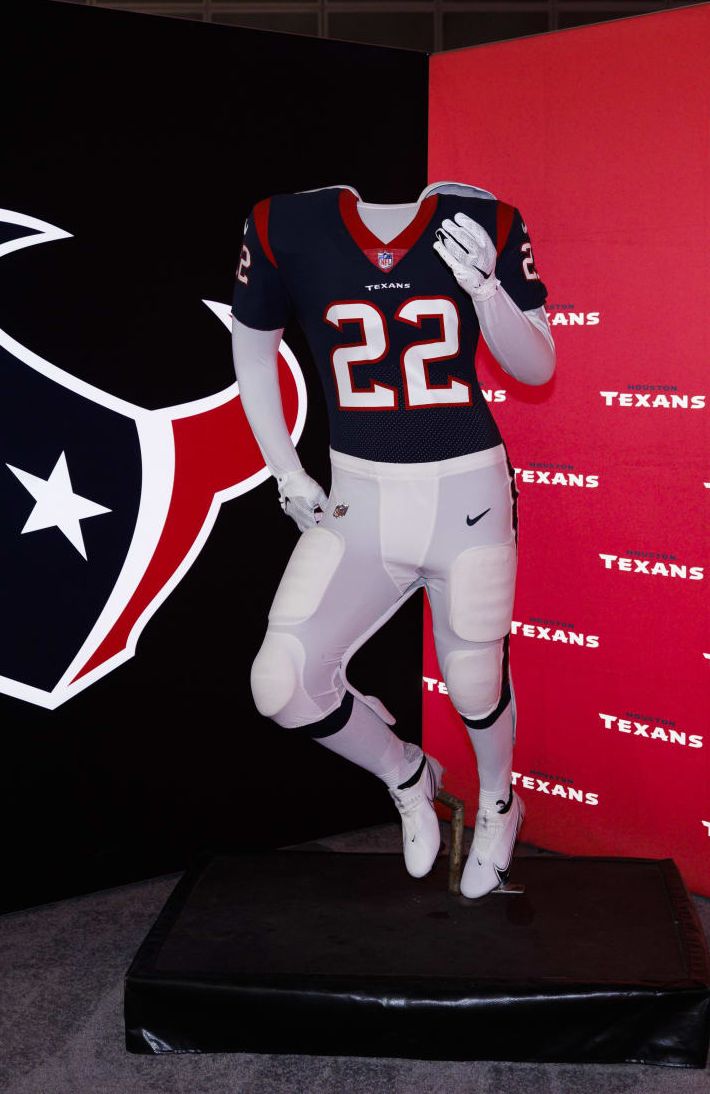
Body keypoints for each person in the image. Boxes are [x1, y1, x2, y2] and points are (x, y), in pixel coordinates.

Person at [229, 181, 555, 897]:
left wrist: (487, 292)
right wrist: (285, 470)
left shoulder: (487, 220)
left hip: (466, 490)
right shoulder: (281, 223)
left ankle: (500, 801)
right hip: (360, 497)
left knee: (475, 680)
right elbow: (252, 352)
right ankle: (407, 771)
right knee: (281, 681)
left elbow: (537, 366)